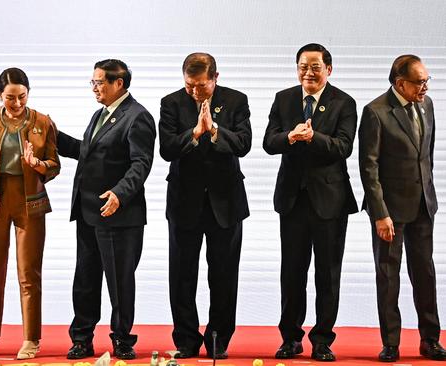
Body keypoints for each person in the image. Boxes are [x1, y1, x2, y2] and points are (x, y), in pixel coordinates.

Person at [263, 43, 358, 362]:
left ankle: (322, 340)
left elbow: (343, 147)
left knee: (327, 275)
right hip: (292, 200)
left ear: (328, 70)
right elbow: (268, 142)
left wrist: (312, 137)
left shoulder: (344, 102)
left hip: (329, 200)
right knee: (291, 273)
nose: (309, 72)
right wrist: (291, 136)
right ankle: (290, 338)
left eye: (315, 67)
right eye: (303, 66)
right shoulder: (284, 98)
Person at [57, 59, 156, 360]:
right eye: (93, 82)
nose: (95, 87)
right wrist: (54, 135)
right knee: (85, 280)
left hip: (119, 214)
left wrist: (120, 194)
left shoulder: (138, 117)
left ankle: (123, 340)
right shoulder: (100, 115)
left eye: (100, 82)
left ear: (119, 84)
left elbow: (141, 163)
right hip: (89, 211)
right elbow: (87, 153)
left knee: (119, 281)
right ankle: (82, 338)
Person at [159, 52, 251, 359]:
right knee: (182, 275)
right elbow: (167, 149)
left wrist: (214, 130)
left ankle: (218, 340)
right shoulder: (171, 103)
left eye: (201, 86)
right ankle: (186, 339)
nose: (195, 92)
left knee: (223, 275)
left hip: (225, 203)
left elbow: (243, 143)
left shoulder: (237, 100)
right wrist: (194, 133)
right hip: (185, 202)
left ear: (215, 78)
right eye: (189, 85)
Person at [0, 68, 60, 359]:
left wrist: (37, 164)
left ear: (28, 94)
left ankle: (31, 339)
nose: (16, 103)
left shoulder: (43, 122)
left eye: (21, 97)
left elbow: (54, 164)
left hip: (30, 200)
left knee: (28, 273)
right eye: (10, 98)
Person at [359, 54, 446, 362]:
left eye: (426, 80)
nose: (424, 87)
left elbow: (427, 156)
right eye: (419, 82)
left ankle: (430, 339)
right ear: (400, 83)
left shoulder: (428, 105)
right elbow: (368, 168)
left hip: (423, 206)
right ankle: (391, 343)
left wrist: (430, 195)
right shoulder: (376, 112)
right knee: (389, 276)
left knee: (425, 273)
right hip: (390, 213)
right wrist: (380, 213)